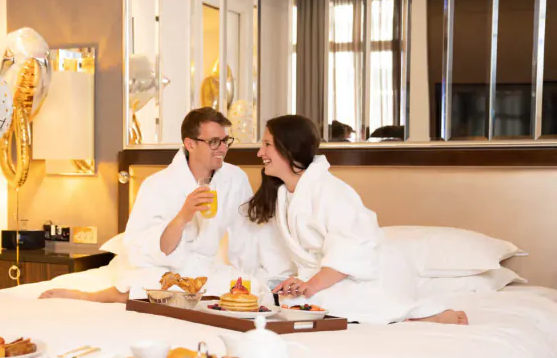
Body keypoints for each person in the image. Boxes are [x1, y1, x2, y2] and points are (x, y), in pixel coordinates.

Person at [248, 114, 468, 325]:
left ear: (289, 148)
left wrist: (310, 286)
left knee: (307, 302)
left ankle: (423, 315)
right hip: (323, 277)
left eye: (267, 144)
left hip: (367, 274)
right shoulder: (283, 194)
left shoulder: (331, 191)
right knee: (279, 297)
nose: (259, 153)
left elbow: (351, 250)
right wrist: (294, 282)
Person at [39, 107, 255, 303]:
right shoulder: (157, 185)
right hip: (163, 268)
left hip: (208, 270)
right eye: (214, 142)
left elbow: (247, 234)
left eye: (226, 141)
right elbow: (143, 248)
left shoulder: (235, 179)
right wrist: (184, 215)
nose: (222, 149)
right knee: (147, 283)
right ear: (190, 144)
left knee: (243, 283)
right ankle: (88, 296)